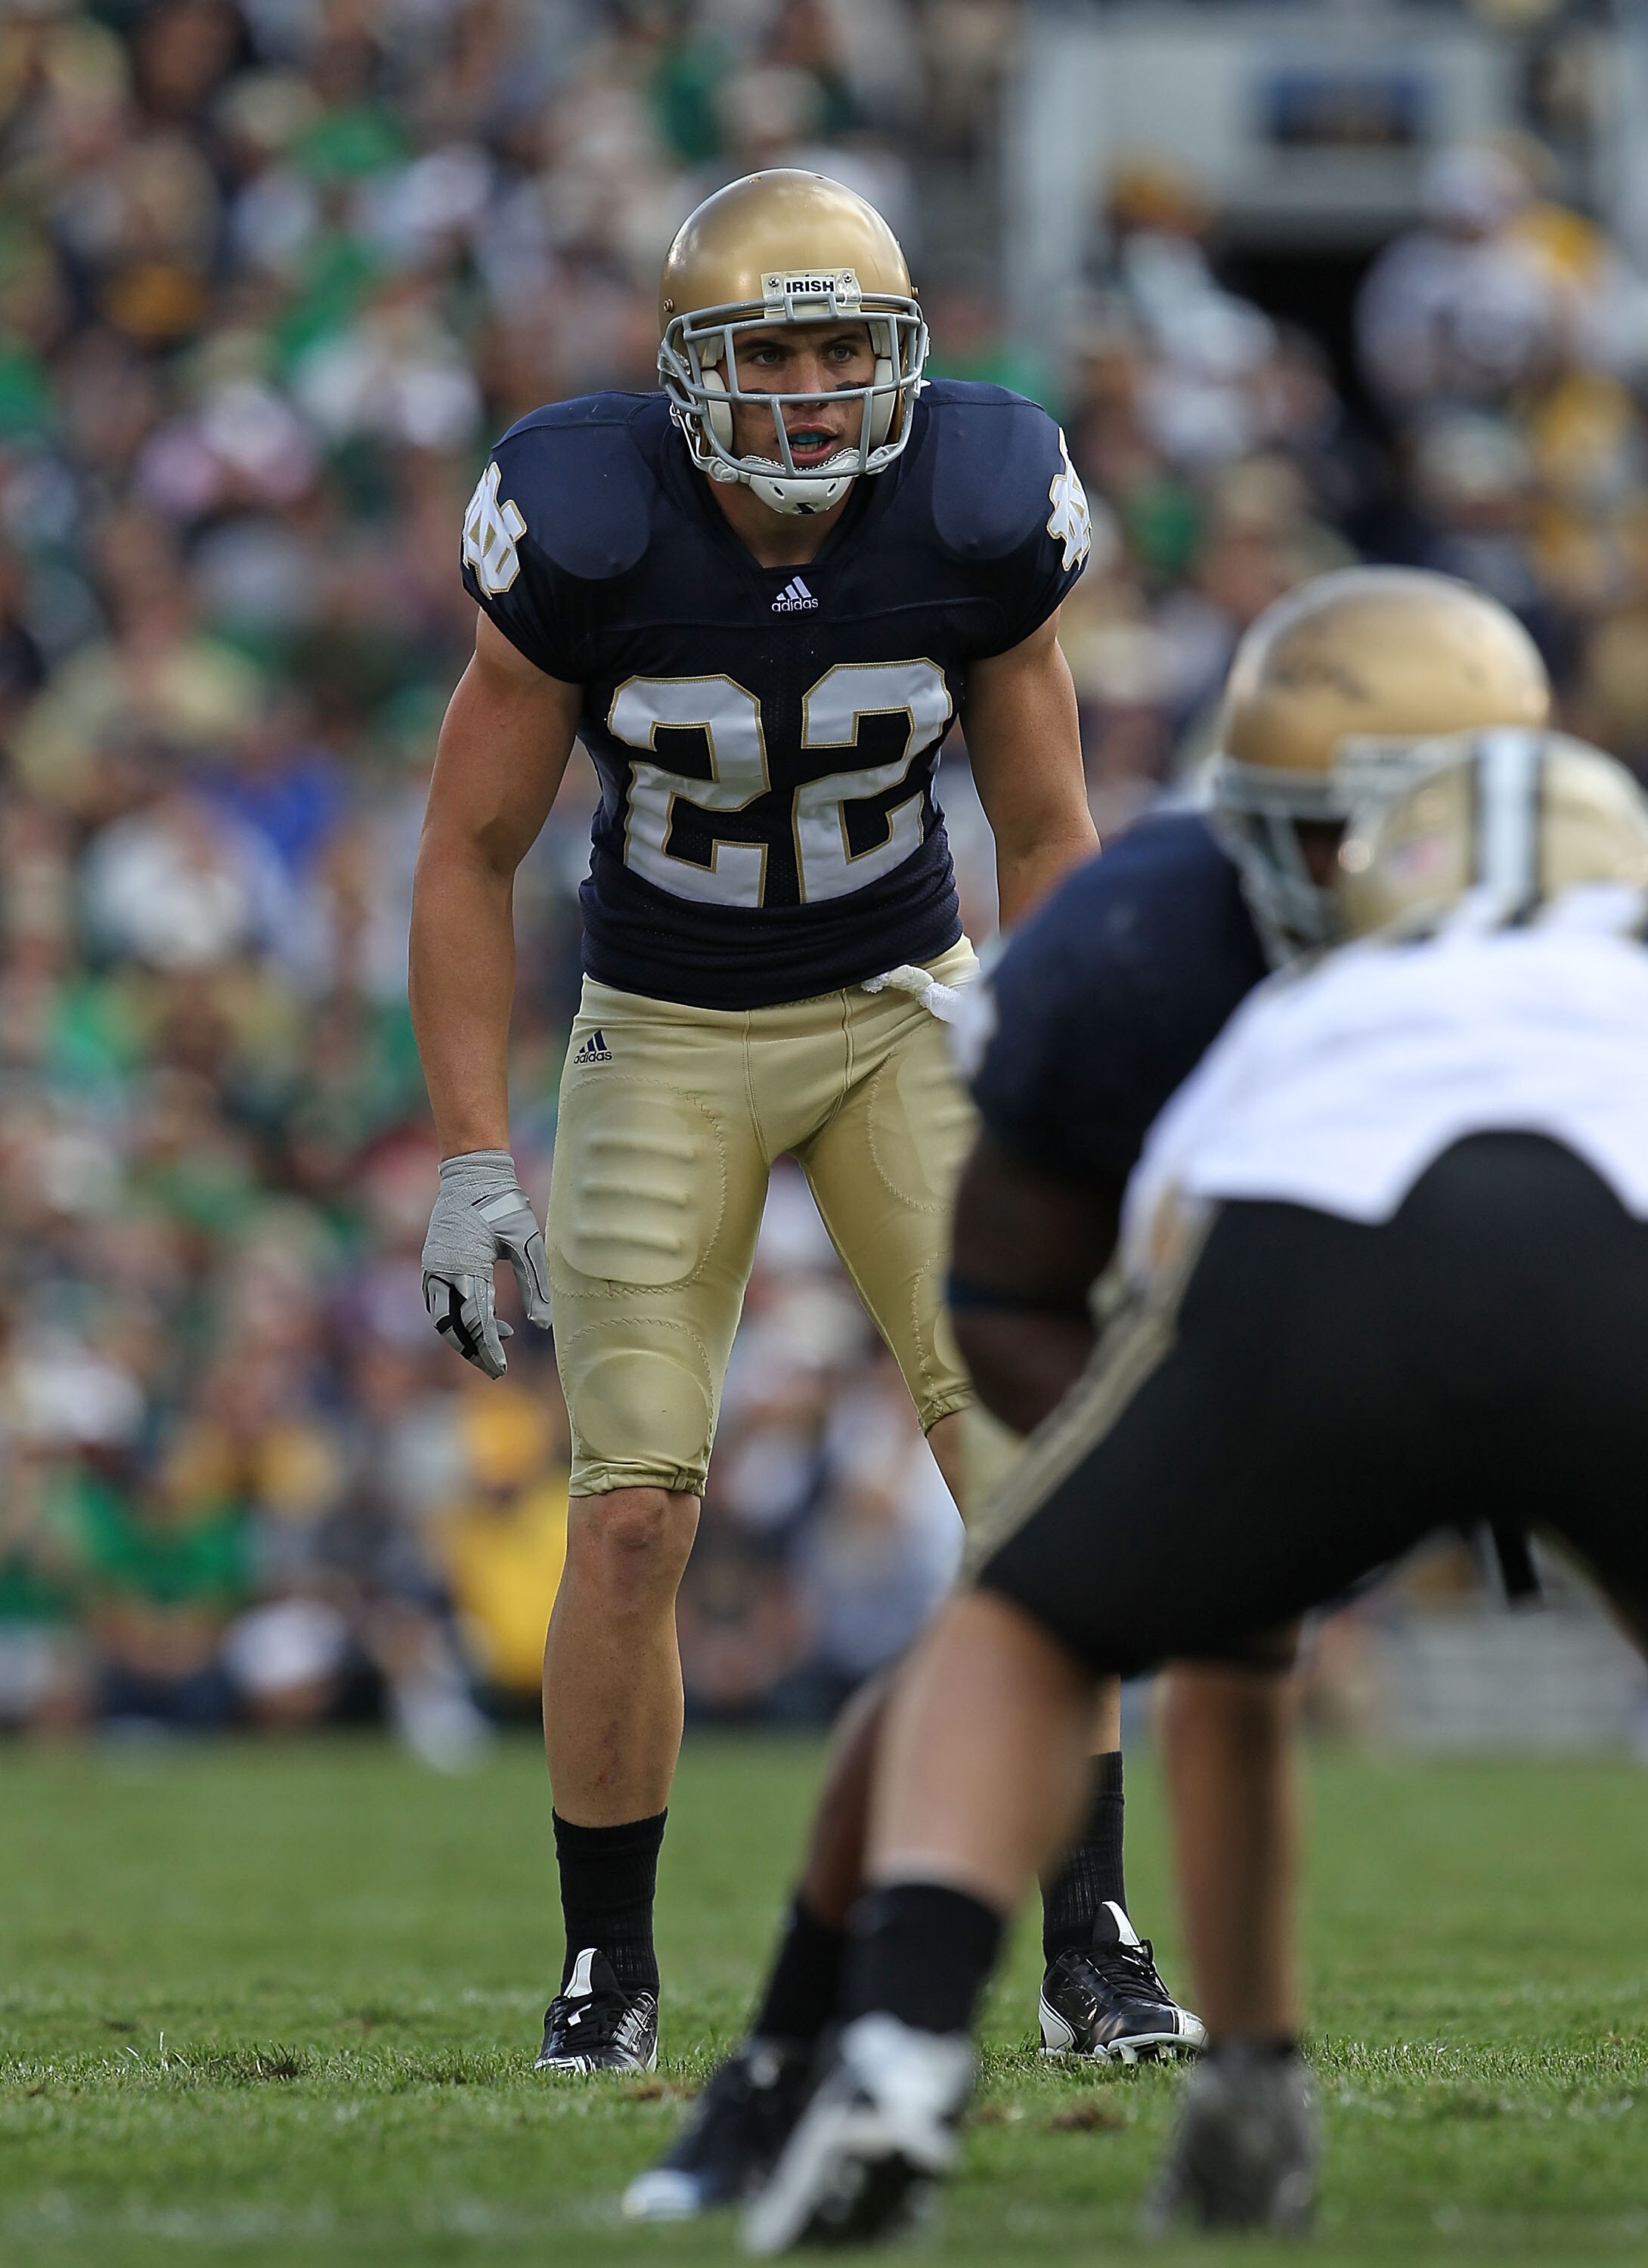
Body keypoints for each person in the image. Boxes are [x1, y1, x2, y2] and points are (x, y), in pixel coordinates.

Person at [624, 562, 1554, 2214]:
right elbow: (1008, 1300)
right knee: (1053, 1610)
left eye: (1410, 829)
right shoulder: (1136, 946)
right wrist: (1167, 1481)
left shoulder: (1185, 939)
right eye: (1334, 833)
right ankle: (910, 2045)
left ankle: (831, 2048)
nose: (1376, 881)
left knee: (1036, 1622)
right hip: (1298, 1325)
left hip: (1551, 1314)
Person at [409, 167, 1111, 2075]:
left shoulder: (974, 501)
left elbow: (1046, 830)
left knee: (1033, 1465)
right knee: (631, 1517)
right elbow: (471, 855)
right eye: (769, 350)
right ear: (684, 372)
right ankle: (606, 1970)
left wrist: (1052, 1088)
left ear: (900, 361)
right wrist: (474, 1149)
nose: (808, 392)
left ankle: (1091, 1938)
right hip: (664, 1021)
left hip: (903, 1014)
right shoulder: (585, 513)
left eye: (839, 349)